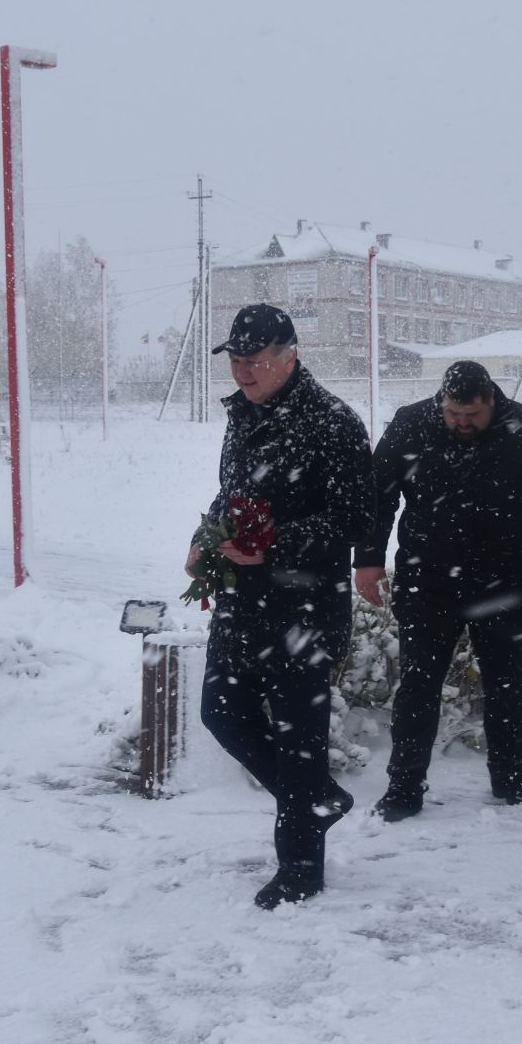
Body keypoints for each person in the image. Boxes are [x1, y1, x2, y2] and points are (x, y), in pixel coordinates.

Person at [189, 305, 375, 909]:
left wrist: (271, 543)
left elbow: (355, 520)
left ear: (290, 355)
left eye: (255, 361)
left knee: (300, 741)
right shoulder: (243, 415)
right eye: (236, 361)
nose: (242, 373)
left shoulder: (333, 423)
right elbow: (235, 490)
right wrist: (208, 535)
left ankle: (300, 869)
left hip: (304, 607)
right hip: (243, 601)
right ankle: (317, 797)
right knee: (221, 711)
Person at [356, 360, 522, 819]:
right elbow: (378, 493)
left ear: (490, 399)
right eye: (453, 414)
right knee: (418, 688)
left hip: (504, 580)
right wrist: (367, 559)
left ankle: (509, 778)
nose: (461, 424)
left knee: (507, 687)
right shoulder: (412, 422)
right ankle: (404, 787)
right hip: (429, 579)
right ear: (441, 403)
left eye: (472, 416)